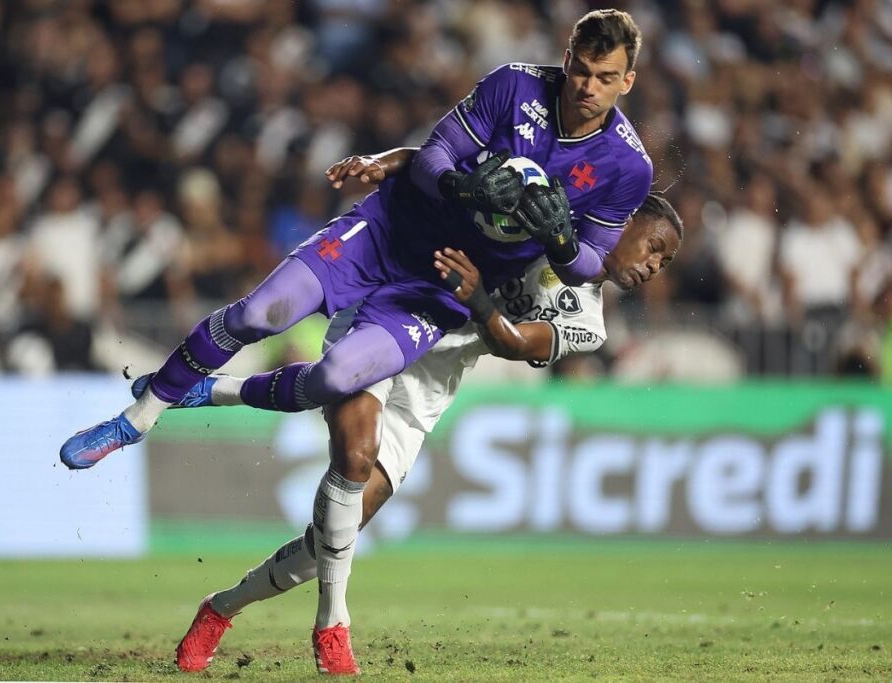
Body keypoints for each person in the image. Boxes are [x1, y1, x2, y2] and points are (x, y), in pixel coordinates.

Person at [61, 5, 650, 670]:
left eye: (604, 77)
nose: (586, 86)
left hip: (435, 329)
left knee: (331, 516)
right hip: (400, 246)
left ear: (626, 82)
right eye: (579, 69)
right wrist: (449, 179)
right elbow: (432, 155)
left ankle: (221, 594)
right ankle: (144, 422)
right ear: (567, 58)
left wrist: (555, 242)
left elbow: (526, 331)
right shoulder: (516, 86)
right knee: (270, 322)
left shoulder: (592, 277)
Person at [152, 162, 682, 674]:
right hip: (391, 316)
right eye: (655, 247)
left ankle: (221, 607)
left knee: (329, 541)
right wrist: (392, 163)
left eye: (666, 262)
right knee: (354, 455)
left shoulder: (589, 324)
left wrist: (477, 298)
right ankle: (333, 628)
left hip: (426, 394)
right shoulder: (548, 209)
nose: (655, 265)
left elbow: (516, 343)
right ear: (625, 218)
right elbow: (458, 168)